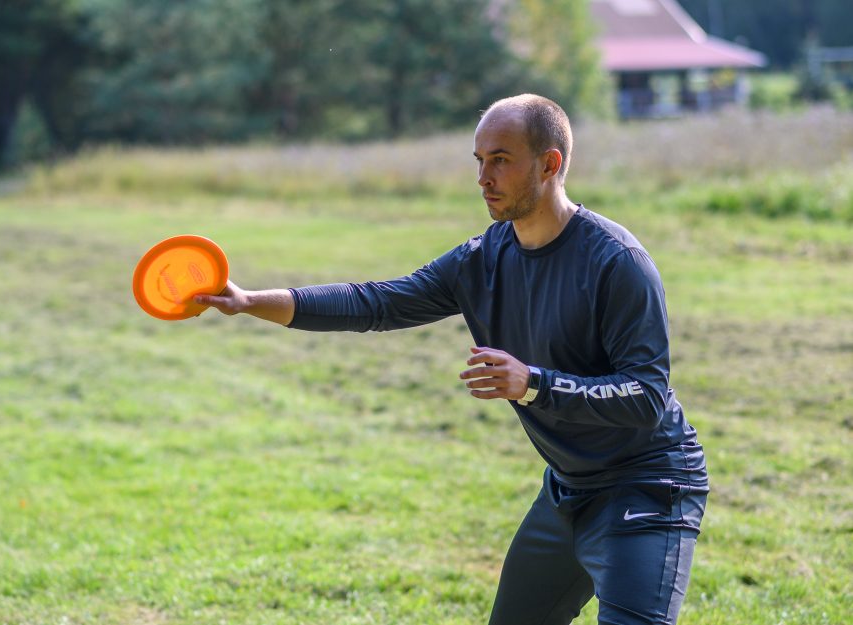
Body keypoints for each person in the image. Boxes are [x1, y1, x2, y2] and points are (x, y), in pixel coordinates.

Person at [195, 94, 708, 625]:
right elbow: (379, 302)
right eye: (480, 160)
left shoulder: (616, 263)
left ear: (550, 164)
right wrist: (250, 301)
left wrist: (534, 383)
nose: (484, 177)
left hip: (648, 489)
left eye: (501, 160)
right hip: (569, 487)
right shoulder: (481, 259)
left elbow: (646, 396)